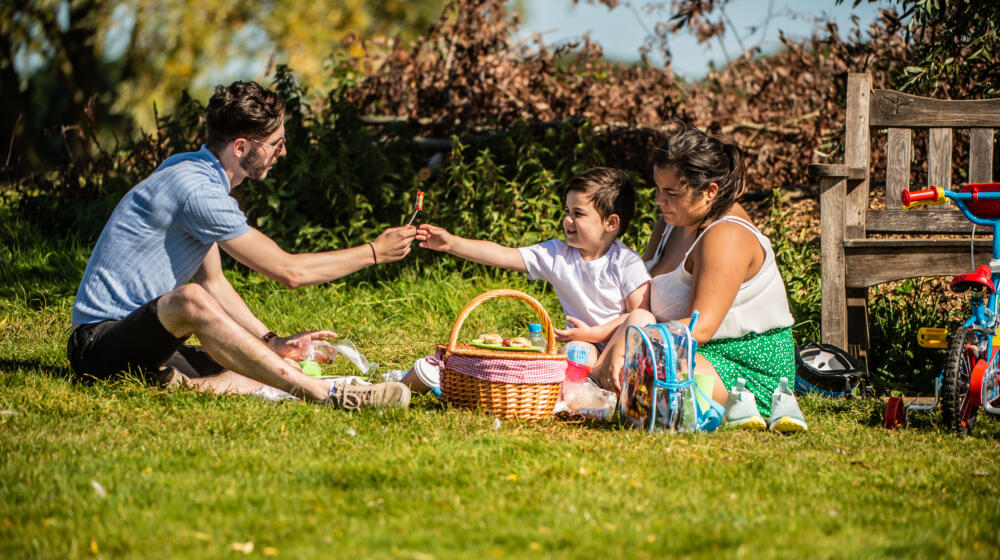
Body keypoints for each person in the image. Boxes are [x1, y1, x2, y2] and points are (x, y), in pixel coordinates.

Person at [67, 81, 414, 410]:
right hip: (98, 345)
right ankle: (328, 394)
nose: (283, 151)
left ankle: (172, 384)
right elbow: (288, 271)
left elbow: (213, 281)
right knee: (191, 299)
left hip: (144, 340)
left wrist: (272, 342)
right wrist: (374, 252)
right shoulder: (198, 192)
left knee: (253, 367)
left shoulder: (190, 168)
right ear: (241, 147)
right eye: (276, 143)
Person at [591, 125, 806, 432]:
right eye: (657, 188)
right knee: (582, 355)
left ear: (710, 192)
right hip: (666, 344)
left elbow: (699, 328)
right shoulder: (669, 224)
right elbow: (640, 300)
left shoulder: (726, 236)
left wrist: (630, 344)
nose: (658, 200)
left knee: (641, 381)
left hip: (738, 361)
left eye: (671, 192)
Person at [415, 167, 650, 365]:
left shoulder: (626, 262)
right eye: (567, 211)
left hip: (623, 347)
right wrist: (452, 243)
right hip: (582, 344)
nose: (567, 220)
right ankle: (578, 396)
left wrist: (593, 333)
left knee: (594, 352)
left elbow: (640, 315)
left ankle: (599, 385)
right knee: (575, 353)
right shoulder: (558, 255)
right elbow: (503, 255)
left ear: (611, 222)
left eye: (578, 213)